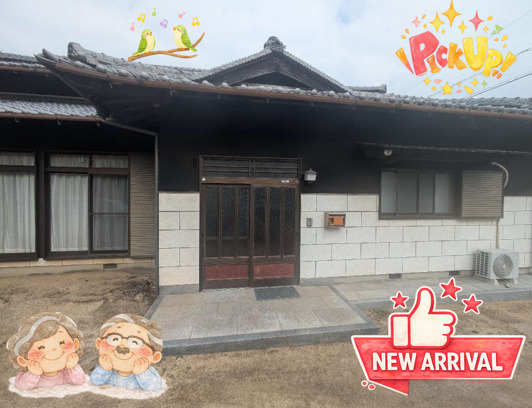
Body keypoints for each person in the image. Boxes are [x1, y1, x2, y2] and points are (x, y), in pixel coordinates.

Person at [7, 311, 85, 390]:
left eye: (62, 342)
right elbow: (22, 386)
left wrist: (72, 367)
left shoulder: (67, 372)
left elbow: (79, 381)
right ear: (23, 360)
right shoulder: (27, 376)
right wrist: (33, 373)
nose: (54, 349)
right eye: (41, 347)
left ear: (75, 345)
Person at [90, 313, 163, 391]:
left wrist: (141, 373)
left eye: (135, 342)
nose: (122, 346)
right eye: (114, 339)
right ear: (99, 344)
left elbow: (153, 387)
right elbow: (95, 381)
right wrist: (104, 369)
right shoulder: (108, 370)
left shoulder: (148, 372)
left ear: (155, 357)